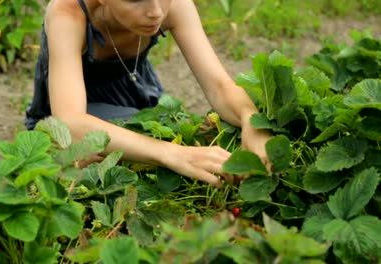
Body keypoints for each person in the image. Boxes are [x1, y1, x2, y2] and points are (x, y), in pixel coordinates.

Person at [25, 0, 272, 187]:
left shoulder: (173, 5)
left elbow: (219, 85)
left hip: (136, 95)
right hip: (70, 114)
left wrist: (251, 120)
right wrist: (171, 153)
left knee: (179, 143)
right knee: (163, 153)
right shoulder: (68, 13)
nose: (155, 11)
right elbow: (70, 122)